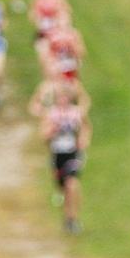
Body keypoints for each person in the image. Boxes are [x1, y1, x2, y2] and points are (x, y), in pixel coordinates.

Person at [36, 83, 92, 234]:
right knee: (63, 188)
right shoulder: (51, 114)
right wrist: (51, 131)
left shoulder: (76, 113)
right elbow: (43, 135)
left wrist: (83, 140)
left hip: (73, 153)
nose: (63, 100)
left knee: (72, 184)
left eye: (66, 97)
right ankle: (68, 217)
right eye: (60, 97)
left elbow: (86, 128)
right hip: (57, 154)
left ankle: (73, 219)